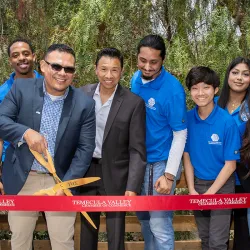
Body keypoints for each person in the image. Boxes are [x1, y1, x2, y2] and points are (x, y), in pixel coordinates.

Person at [0, 44, 96, 250]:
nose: (62, 73)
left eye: (68, 69)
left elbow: (85, 149)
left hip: (60, 181)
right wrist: (25, 133)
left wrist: (67, 184)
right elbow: (1, 120)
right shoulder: (21, 89)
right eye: (56, 66)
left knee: (63, 244)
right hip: (23, 180)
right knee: (20, 243)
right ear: (43, 66)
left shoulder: (84, 104)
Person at [80, 47, 146, 250]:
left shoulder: (133, 103)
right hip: (86, 172)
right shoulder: (81, 94)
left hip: (117, 175)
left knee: (116, 234)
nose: (109, 75)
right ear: (95, 69)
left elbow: (137, 149)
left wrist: (132, 186)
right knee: (87, 231)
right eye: (104, 69)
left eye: (114, 70)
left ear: (122, 71)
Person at [131, 34, 187, 250]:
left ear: (162, 60)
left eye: (153, 62)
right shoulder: (135, 79)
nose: (147, 66)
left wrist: (170, 174)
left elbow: (181, 133)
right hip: (140, 162)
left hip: (161, 164)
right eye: (142, 60)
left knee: (159, 223)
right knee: (145, 221)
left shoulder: (172, 90)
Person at [183, 66, 241, 250]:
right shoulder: (187, 119)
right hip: (198, 185)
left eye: (206, 87)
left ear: (215, 89)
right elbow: (187, 156)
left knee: (217, 243)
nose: (200, 93)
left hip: (222, 187)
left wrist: (211, 194)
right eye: (195, 88)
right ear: (190, 91)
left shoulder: (227, 122)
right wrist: (192, 189)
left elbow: (230, 165)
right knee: (206, 239)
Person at [217, 57, 250, 250]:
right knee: (217, 235)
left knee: (244, 236)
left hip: (244, 179)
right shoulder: (212, 104)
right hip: (218, 178)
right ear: (228, 74)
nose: (239, 78)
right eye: (235, 72)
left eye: (246, 74)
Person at [0, 38, 42, 170]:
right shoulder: (3, 92)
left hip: (47, 163)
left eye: (26, 53)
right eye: (15, 55)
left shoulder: (49, 86)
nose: (22, 58)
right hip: (12, 165)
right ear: (10, 61)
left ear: (34, 57)